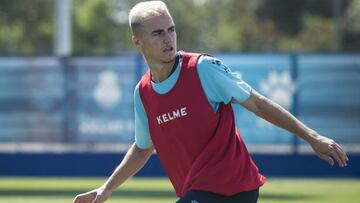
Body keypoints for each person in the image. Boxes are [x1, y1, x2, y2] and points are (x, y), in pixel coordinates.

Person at [73, 1, 349, 203]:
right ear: (138, 42)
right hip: (198, 192)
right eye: (158, 34)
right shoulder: (143, 93)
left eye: (171, 30)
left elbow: (258, 103)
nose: (168, 39)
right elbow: (143, 148)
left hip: (232, 187)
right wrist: (106, 189)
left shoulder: (203, 69)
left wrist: (311, 136)